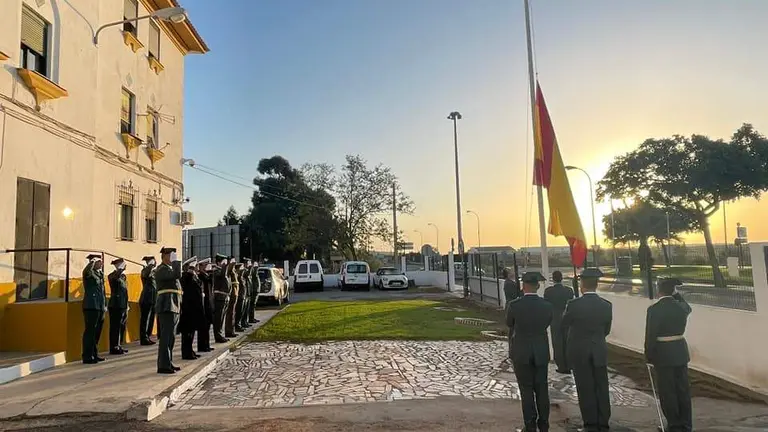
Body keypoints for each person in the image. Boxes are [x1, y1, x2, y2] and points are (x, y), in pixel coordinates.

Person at [561, 268, 613, 432]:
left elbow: (564, 324)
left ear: (582, 284)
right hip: (598, 348)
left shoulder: (574, 305)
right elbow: (606, 330)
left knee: (585, 387)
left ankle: (590, 424)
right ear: (596, 285)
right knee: (601, 386)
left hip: (579, 350)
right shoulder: (606, 305)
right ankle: (603, 422)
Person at [506, 271, 553, 432]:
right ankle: (544, 424)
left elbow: (509, 323)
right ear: (538, 286)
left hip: (521, 351)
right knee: (542, 388)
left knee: (526, 390)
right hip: (540, 350)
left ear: (523, 286)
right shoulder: (547, 305)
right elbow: (547, 323)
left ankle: (530, 425)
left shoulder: (515, 305)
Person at [645, 277, 693, 432]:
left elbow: (650, 335)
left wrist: (649, 355)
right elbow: (687, 307)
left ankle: (673, 425)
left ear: (659, 290)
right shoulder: (681, 307)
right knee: (683, 390)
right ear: (673, 290)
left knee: (667, 391)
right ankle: (686, 424)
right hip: (680, 352)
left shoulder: (654, 309)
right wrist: (676, 294)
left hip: (663, 354)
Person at [155, 247, 183, 374]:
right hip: (167, 305)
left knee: (171, 337)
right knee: (166, 337)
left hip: (173, 305)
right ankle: (163, 365)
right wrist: (177, 262)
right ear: (165, 256)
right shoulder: (161, 270)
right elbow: (177, 275)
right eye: (171, 255)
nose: (173, 257)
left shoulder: (168, 269)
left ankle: (168, 362)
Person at [544, 270, 574, 373]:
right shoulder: (569, 290)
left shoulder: (548, 291)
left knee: (557, 343)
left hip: (555, 318)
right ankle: (569, 364)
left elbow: (546, 306)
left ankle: (561, 365)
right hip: (566, 318)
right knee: (567, 341)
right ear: (562, 278)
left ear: (553, 279)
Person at [82, 254, 107, 364]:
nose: (101, 263)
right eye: (99, 261)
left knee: (97, 332)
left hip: (100, 306)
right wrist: (91, 262)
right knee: (90, 332)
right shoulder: (89, 273)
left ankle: (94, 353)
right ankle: (87, 356)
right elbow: (86, 271)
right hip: (91, 306)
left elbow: (102, 291)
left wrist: (104, 305)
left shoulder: (100, 274)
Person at [179, 256, 204, 360]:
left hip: (194, 308)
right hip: (188, 308)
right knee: (187, 333)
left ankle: (190, 350)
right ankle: (186, 352)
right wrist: (189, 271)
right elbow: (185, 282)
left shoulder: (194, 276)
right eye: (194, 266)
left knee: (192, 331)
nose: (196, 268)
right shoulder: (185, 276)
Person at [107, 258, 129, 355]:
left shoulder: (123, 277)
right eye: (121, 265)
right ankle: (114, 347)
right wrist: (120, 269)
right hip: (115, 305)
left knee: (121, 326)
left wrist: (126, 304)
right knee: (115, 327)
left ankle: (119, 345)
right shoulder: (112, 276)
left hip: (123, 304)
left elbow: (125, 291)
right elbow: (115, 278)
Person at [196, 258, 215, 353]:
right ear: (201, 266)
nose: (207, 266)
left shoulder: (206, 275)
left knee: (207, 326)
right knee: (203, 326)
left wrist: (210, 272)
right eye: (205, 265)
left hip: (209, 303)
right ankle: (202, 346)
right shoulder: (200, 276)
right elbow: (206, 281)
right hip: (204, 303)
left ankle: (206, 344)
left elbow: (211, 281)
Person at [139, 255, 157, 345]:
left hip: (153, 299)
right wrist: (150, 265)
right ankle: (143, 338)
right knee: (145, 320)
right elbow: (146, 274)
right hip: (146, 299)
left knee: (150, 319)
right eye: (152, 261)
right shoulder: (145, 271)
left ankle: (148, 336)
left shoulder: (154, 272)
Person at [212, 254, 230, 343]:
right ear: (219, 262)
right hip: (219, 297)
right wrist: (224, 266)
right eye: (223, 262)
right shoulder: (216, 271)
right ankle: (218, 336)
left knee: (222, 317)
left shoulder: (222, 270)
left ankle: (220, 334)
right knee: (218, 319)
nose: (225, 264)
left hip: (224, 297)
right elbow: (222, 276)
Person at [225, 260, 239, 338]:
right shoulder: (229, 271)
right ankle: (229, 331)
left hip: (235, 293)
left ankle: (232, 330)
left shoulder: (233, 271)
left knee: (233, 313)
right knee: (230, 313)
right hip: (232, 293)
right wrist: (230, 264)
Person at [238, 259, 253, 329]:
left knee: (246, 309)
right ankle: (242, 323)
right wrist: (250, 267)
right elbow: (247, 275)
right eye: (248, 263)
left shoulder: (246, 270)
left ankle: (245, 322)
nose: (248, 265)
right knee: (242, 310)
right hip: (244, 292)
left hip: (248, 291)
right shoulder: (243, 271)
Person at [234, 261, 247, 331]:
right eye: (240, 269)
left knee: (241, 312)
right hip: (239, 297)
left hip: (243, 296)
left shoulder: (242, 277)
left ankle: (239, 324)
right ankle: (237, 325)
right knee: (238, 312)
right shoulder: (238, 277)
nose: (242, 270)